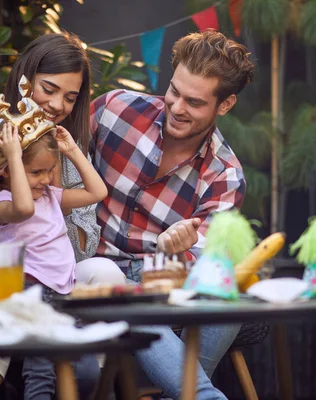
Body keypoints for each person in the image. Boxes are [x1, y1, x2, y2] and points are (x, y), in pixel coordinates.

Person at [0, 32, 123, 400]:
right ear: (25, 80)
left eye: (70, 96)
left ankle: (91, 380)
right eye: (49, 89)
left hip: (49, 280)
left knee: (108, 272)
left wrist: (52, 194)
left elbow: (86, 242)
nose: (57, 104)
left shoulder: (64, 148)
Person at [90, 30, 255, 399]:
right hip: (91, 267)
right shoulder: (114, 110)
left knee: (226, 292)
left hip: (161, 279)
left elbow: (204, 268)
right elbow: (53, 164)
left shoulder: (225, 175)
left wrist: (177, 249)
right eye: (174, 92)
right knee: (125, 300)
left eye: (194, 102)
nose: (177, 107)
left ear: (224, 105)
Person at [0, 122, 107, 397]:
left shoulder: (51, 196)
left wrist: (73, 151)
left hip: (64, 293)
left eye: (49, 170)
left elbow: (98, 192)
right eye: (36, 172)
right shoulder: (2, 204)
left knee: (85, 368)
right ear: (7, 171)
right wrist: (14, 156)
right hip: (31, 295)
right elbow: (24, 207)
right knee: (40, 371)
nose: (45, 179)